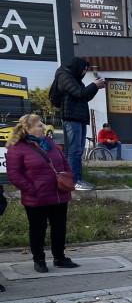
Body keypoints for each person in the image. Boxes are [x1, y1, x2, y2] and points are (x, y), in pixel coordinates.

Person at [5, 114, 78, 272]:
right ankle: (39, 260)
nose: (43, 127)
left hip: (59, 194)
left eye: (42, 124)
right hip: (37, 198)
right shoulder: (17, 148)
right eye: (39, 125)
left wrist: (69, 175)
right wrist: (32, 190)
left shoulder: (49, 142)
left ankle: (59, 258)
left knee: (59, 228)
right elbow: (14, 174)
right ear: (27, 129)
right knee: (38, 229)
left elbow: (63, 160)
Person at [52, 56, 105, 189]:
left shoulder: (75, 79)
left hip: (79, 118)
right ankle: (74, 181)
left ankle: (78, 179)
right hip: (71, 118)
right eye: (84, 69)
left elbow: (85, 97)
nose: (84, 72)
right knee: (74, 150)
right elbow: (80, 93)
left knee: (78, 150)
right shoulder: (65, 75)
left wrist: (96, 87)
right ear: (78, 67)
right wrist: (94, 85)